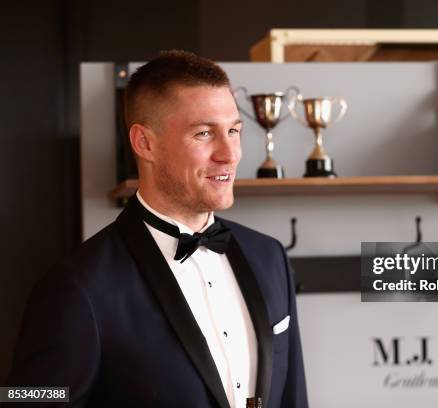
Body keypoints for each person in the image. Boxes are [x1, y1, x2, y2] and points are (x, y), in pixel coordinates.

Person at [6, 50, 308, 408]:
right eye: (203, 134)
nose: (229, 154)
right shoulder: (78, 286)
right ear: (144, 143)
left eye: (233, 131)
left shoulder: (269, 256)